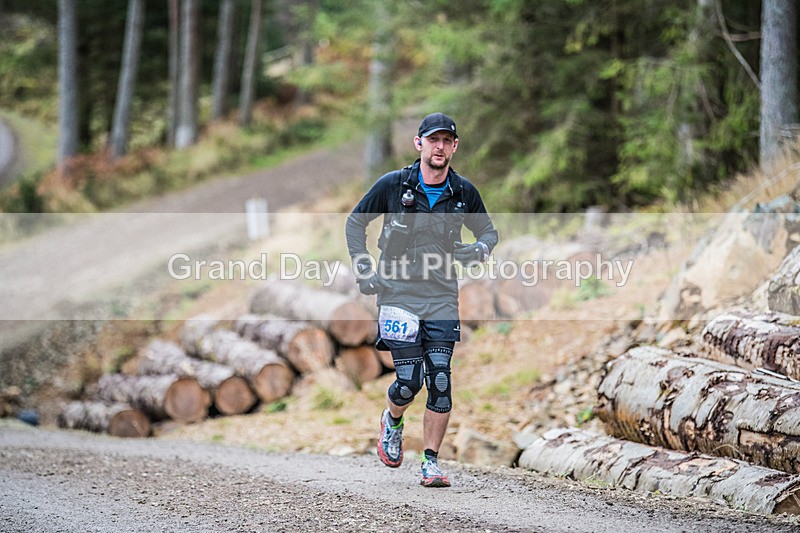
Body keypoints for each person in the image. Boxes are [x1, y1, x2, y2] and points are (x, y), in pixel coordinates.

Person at [345, 113, 498, 487]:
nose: (440, 147)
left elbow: (489, 233)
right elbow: (355, 223)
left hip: (442, 297)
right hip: (397, 294)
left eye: (447, 141)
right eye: (433, 140)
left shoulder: (463, 193)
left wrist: (476, 250)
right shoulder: (394, 185)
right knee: (410, 381)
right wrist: (365, 269)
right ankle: (392, 421)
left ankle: (430, 461)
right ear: (419, 144)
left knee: (441, 380)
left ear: (455, 147)